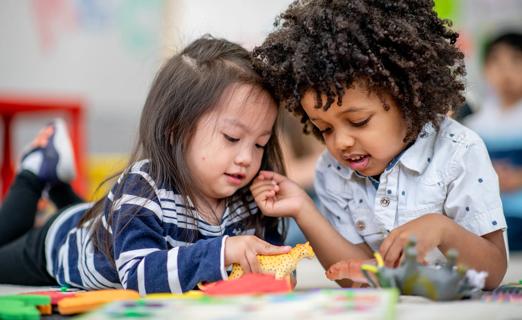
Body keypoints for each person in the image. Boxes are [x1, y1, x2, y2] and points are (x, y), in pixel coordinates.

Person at [0, 36, 292, 294]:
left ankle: (58, 186)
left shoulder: (249, 199)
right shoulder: (145, 184)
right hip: (62, 245)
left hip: (106, 222)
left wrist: (278, 269)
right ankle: (35, 170)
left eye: (259, 144)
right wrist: (223, 251)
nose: (247, 157)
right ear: (176, 129)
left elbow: (272, 263)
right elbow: (138, 273)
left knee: (96, 217)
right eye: (232, 137)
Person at [249, 0, 507, 289]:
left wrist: (442, 229)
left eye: (359, 121)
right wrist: (303, 209)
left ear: (407, 98)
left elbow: (493, 271)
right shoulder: (332, 170)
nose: (341, 142)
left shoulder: (459, 151)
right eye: (325, 129)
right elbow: (354, 276)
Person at [465, 31, 522, 251]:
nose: (506, 72)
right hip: (491, 213)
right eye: (496, 62)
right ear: (486, 70)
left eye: (516, 61)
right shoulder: (475, 122)